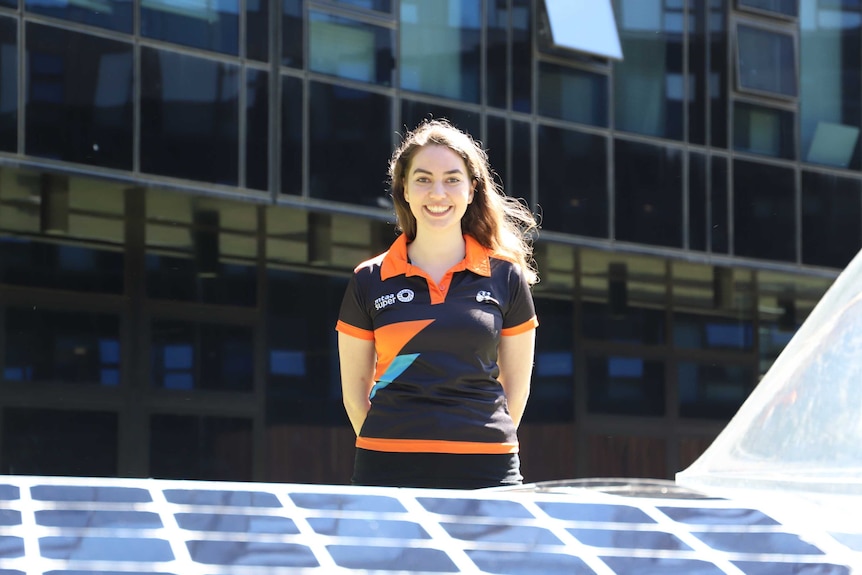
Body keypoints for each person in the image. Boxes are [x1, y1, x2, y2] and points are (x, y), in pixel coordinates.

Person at [335, 118, 539, 489]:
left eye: (452, 179)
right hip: (387, 464)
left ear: (472, 189)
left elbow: (517, 388)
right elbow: (354, 391)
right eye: (423, 179)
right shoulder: (368, 279)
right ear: (405, 190)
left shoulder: (506, 276)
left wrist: (484, 438)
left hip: (487, 466)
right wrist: (392, 440)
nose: (438, 193)